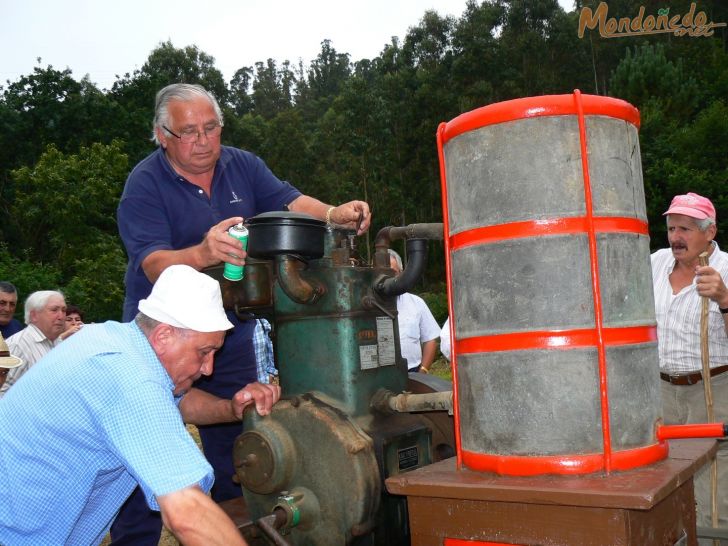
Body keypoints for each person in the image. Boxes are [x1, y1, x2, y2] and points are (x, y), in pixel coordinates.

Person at [114, 82, 371, 544]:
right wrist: (201, 251)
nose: (203, 140)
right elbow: (152, 263)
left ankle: (243, 527)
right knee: (147, 444)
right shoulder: (145, 183)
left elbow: (291, 202)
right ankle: (139, 535)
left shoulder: (242, 164)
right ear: (161, 135)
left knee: (242, 431)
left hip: (230, 326)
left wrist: (334, 213)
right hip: (164, 335)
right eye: (189, 131)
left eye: (211, 127)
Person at [0, 265, 277, 545]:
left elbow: (175, 402)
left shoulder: (110, 340)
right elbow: (187, 513)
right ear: (164, 336)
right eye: (204, 352)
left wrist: (230, 408)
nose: (208, 369)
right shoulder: (132, 378)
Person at [651, 192, 728, 537]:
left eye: (685, 229)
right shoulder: (654, 263)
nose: (675, 238)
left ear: (709, 232)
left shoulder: (726, 270)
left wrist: (725, 299)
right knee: (664, 478)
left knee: (716, 484)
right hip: (660, 391)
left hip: (713, 390)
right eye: (671, 228)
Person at [0, 290, 66, 397]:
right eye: (54, 310)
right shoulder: (18, 345)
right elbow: (2, 391)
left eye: (64, 310)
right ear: (34, 315)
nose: (61, 316)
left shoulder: (59, 342)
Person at [388, 249, 440, 373]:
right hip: (375, 379)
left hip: (413, 374)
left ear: (401, 273)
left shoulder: (416, 303)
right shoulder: (361, 307)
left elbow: (431, 339)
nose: (387, 279)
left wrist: (423, 371)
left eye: (392, 273)